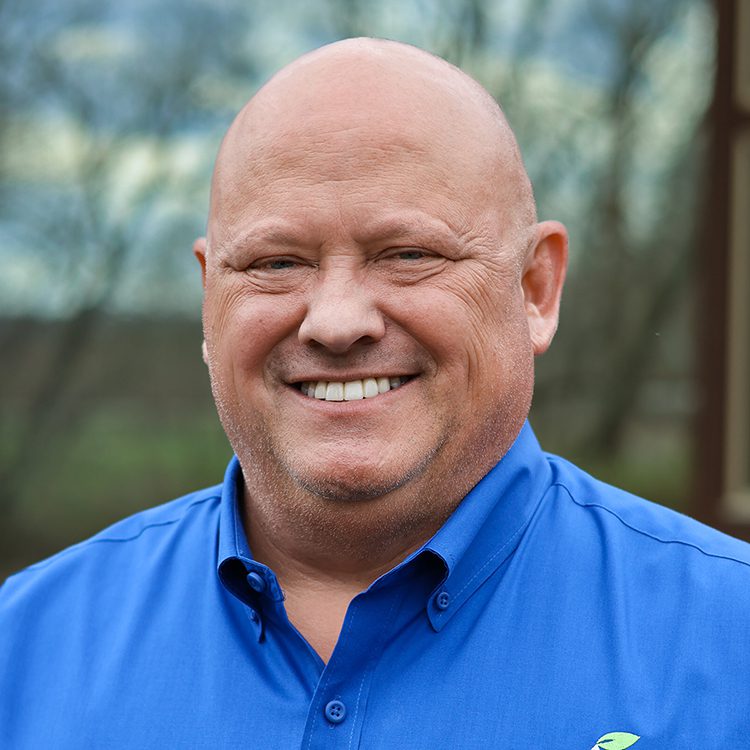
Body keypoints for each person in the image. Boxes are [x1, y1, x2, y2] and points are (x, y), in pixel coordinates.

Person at [1, 38, 748, 749]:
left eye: (408, 254)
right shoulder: (24, 650)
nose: (335, 322)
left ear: (535, 289)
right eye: (276, 263)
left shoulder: (727, 642)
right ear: (209, 300)